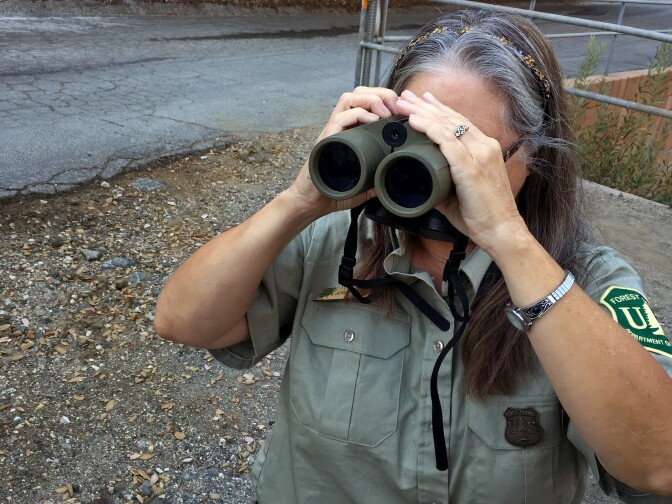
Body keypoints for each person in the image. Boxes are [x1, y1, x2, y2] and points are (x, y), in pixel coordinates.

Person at [154, 9, 672, 504]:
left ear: (532, 153)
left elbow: (658, 463)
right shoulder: (337, 241)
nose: (428, 170)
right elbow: (183, 321)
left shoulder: (587, 281)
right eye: (413, 139)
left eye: (461, 148)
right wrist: (299, 201)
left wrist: (508, 239)